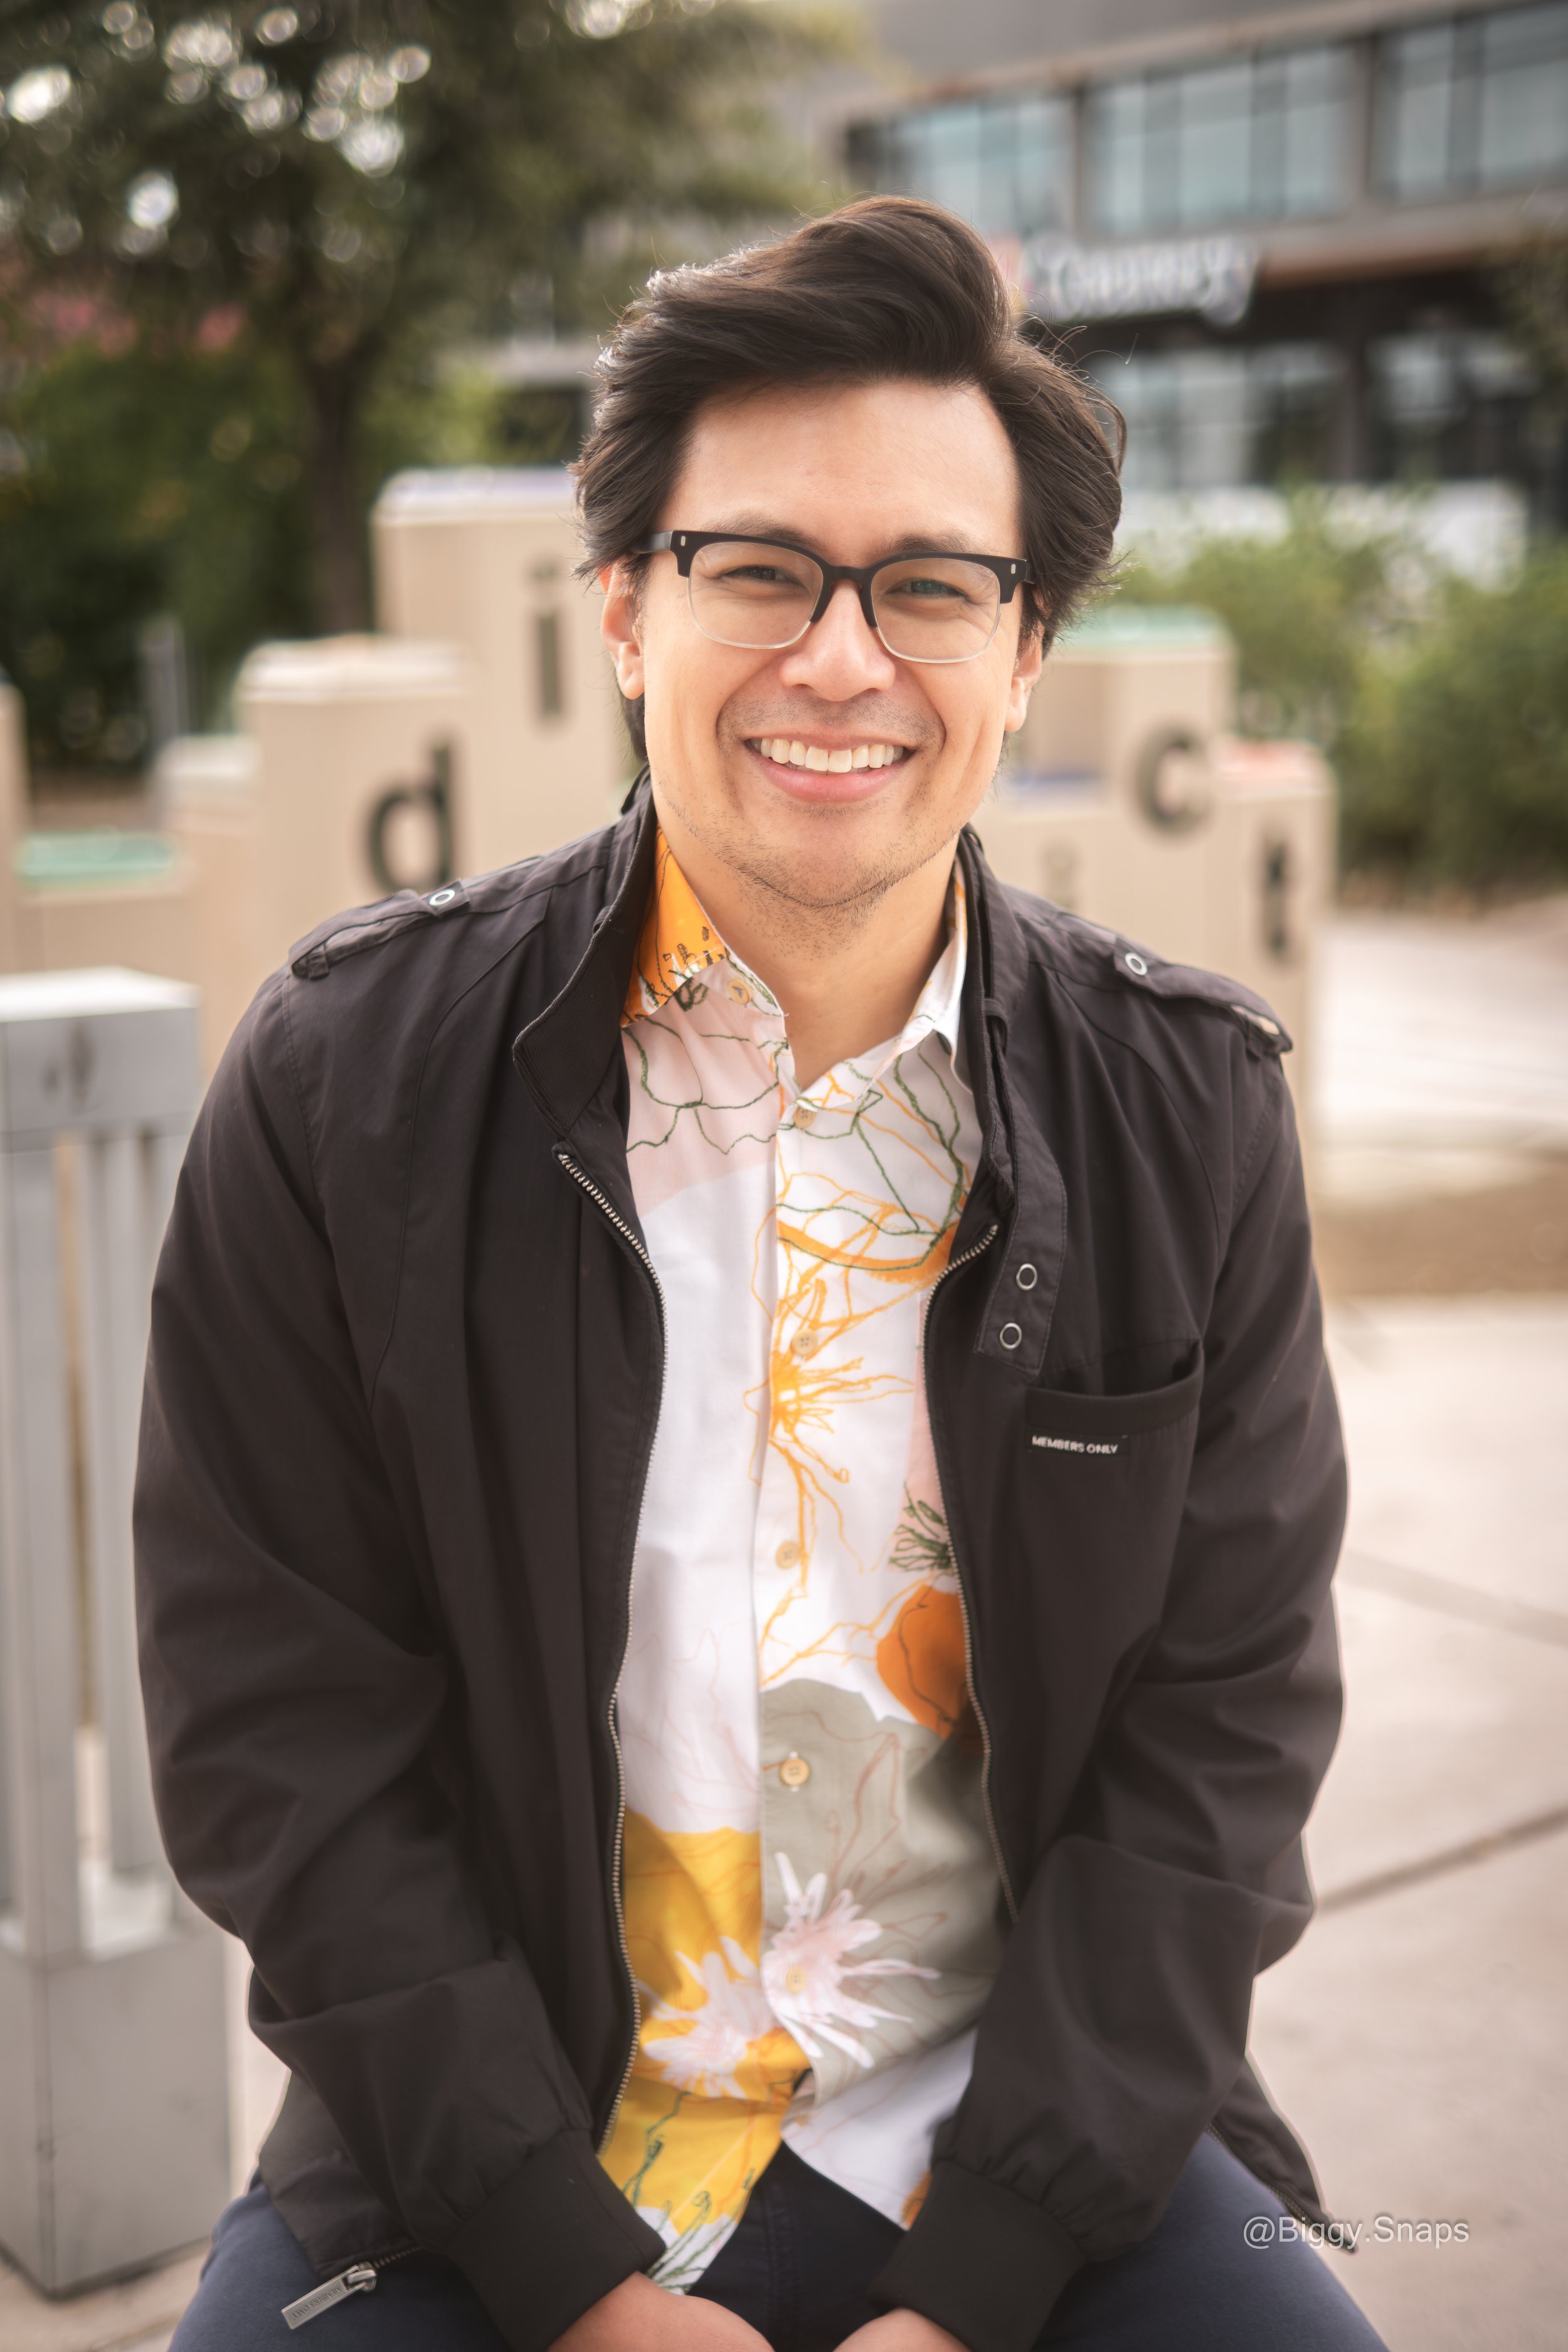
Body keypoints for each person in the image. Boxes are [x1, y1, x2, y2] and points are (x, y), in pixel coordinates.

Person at [139, 198, 1384, 2352]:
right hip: (482, 2157)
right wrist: (563, 2273)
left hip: (1026, 2152)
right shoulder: (346, 1085)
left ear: (1026, 653)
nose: (839, 657)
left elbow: (1218, 1747)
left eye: (928, 586)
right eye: (757, 571)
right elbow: (280, 1729)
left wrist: (986, 2276)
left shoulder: (1183, 1114)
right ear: (622, 608)